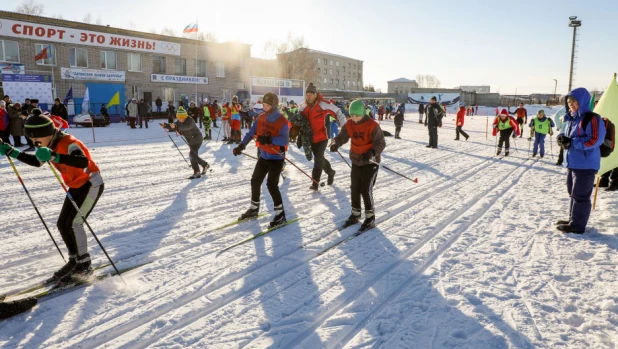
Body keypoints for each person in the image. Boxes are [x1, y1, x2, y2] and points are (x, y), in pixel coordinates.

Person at [0, 108, 104, 282]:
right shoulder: (48, 143)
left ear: (47, 133)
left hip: (91, 183)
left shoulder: (69, 142)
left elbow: (82, 161)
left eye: (35, 139)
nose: (34, 143)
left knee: (74, 223)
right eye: (31, 139)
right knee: (62, 223)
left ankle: (84, 265)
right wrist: (13, 152)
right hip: (75, 186)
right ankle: (74, 260)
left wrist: (55, 156)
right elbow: (37, 161)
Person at [233, 92, 289, 227]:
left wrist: (270, 139)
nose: (264, 107)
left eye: (267, 105)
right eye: (264, 104)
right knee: (255, 181)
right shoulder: (261, 118)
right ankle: (254, 208)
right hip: (264, 156)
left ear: (274, 105)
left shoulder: (282, 120)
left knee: (271, 184)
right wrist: (241, 145)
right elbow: (251, 132)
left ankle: (280, 215)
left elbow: (284, 139)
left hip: (276, 158)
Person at [556, 88, 606, 234]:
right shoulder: (571, 119)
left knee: (581, 195)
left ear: (582, 101)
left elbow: (595, 139)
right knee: (573, 192)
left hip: (586, 164)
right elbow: (568, 136)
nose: (571, 104)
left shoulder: (593, 118)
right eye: (569, 101)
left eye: (574, 101)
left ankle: (577, 226)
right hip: (573, 163)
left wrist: (572, 142)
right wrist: (561, 138)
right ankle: (573, 219)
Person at [329, 99, 385, 231]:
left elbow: (381, 143)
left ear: (363, 113)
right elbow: (342, 136)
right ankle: (355, 213)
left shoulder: (372, 125)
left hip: (370, 161)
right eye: (352, 115)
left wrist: (371, 152)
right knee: (354, 187)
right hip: (356, 160)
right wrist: (336, 143)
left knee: (365, 188)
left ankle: (370, 217)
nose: (354, 118)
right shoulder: (349, 124)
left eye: (357, 115)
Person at [298, 83, 346, 190]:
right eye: (307, 94)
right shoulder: (302, 107)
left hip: (322, 137)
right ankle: (331, 172)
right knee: (319, 159)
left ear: (315, 94)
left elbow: (338, 112)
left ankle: (315, 183)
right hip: (310, 138)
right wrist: (299, 136)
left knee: (318, 160)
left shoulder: (323, 104)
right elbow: (298, 122)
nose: (308, 96)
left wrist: (344, 127)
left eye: (311, 94)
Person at [160, 107, 210, 179]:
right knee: (193, 155)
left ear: (185, 116)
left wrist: (176, 126)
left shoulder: (190, 120)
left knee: (192, 155)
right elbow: (174, 126)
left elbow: (186, 127)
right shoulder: (179, 122)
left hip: (197, 139)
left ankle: (197, 171)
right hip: (191, 141)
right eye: (179, 118)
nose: (180, 119)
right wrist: (166, 125)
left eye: (182, 117)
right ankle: (204, 166)